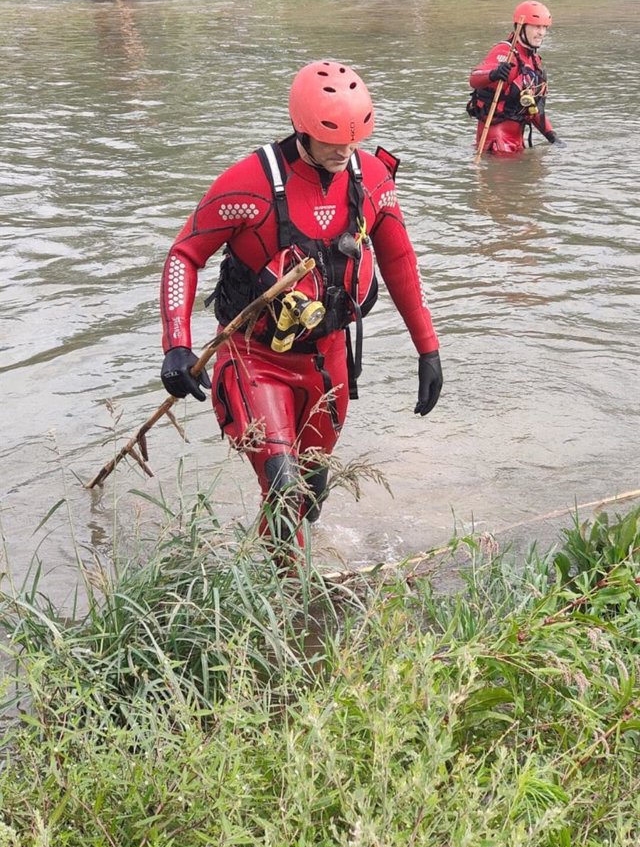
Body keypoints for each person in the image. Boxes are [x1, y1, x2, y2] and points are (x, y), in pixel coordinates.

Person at [159, 60, 443, 550]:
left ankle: (278, 576)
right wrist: (177, 347)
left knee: (310, 492)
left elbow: (399, 261)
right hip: (253, 360)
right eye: (332, 139)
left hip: (329, 361)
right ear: (301, 127)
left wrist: (428, 349)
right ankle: (290, 608)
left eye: (354, 139)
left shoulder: (371, 177)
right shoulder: (247, 185)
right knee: (283, 488)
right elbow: (185, 255)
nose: (344, 151)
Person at [468, 0, 563, 155]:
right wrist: (494, 74)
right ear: (522, 27)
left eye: (544, 27)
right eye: (536, 27)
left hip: (516, 144)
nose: (541, 33)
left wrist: (552, 137)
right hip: (497, 146)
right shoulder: (505, 53)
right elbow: (474, 79)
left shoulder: (533, 60)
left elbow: (533, 109)